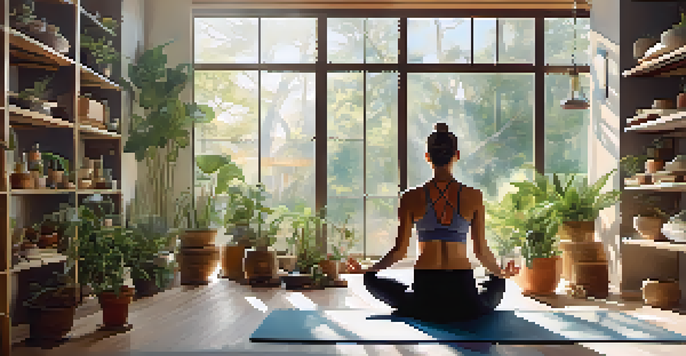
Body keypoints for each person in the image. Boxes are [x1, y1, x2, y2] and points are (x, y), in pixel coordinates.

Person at [362, 122, 520, 323]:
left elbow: (399, 252)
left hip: (425, 297)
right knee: (496, 282)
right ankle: (479, 294)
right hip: (464, 299)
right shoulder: (474, 196)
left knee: (370, 280)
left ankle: (412, 302)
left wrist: (369, 269)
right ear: (457, 155)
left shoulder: (410, 197)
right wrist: (501, 272)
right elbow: (481, 252)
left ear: (428, 157)